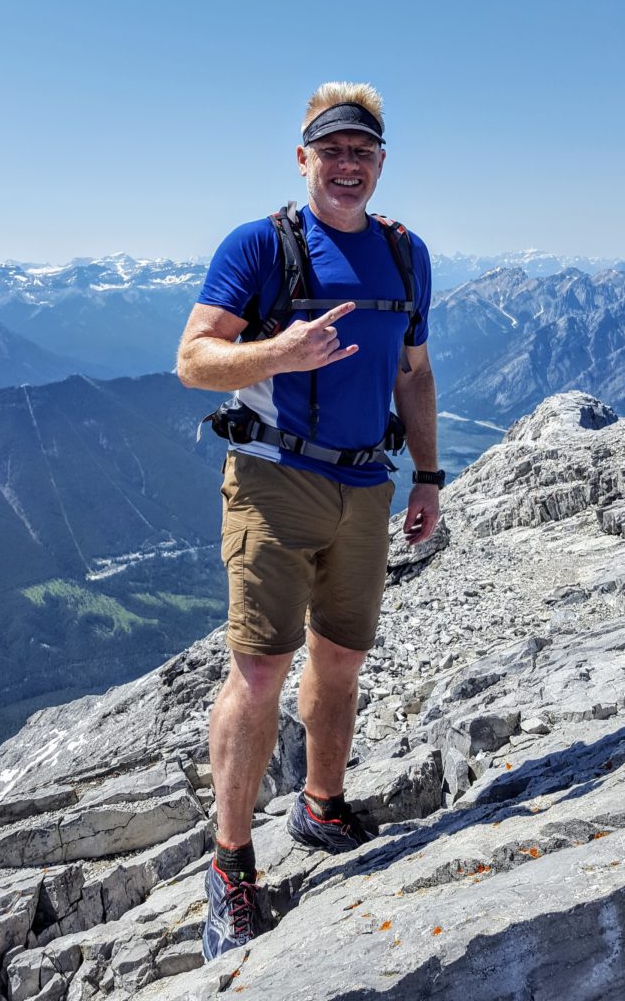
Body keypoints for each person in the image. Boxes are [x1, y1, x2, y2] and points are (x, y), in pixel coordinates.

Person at [177, 81, 441, 960]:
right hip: (272, 481)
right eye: (330, 150)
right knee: (258, 672)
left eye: (361, 151)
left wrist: (428, 478)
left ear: (379, 162)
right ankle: (230, 862)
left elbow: (413, 374)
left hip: (367, 483)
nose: (346, 164)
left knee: (340, 654)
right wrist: (280, 352)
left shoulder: (406, 257)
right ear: (303, 159)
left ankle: (321, 805)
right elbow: (193, 360)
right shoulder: (259, 246)